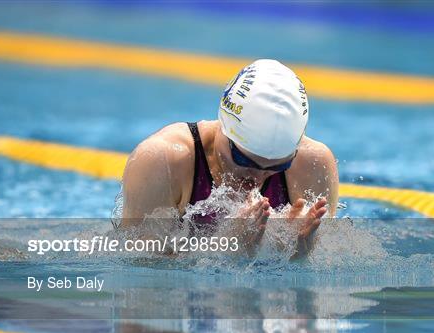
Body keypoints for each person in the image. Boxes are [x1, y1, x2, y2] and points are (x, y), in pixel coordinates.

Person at [121, 59, 338, 259]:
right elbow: (136, 265)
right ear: (224, 127)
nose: (257, 179)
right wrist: (226, 247)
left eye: (278, 166)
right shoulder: (163, 161)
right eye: (244, 160)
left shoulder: (313, 164)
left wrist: (297, 255)